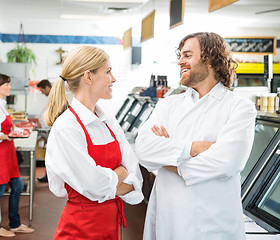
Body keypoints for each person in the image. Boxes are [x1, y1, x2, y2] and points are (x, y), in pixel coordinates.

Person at [135, 32, 257, 240]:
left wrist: (167, 157)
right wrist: (194, 148)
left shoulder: (239, 108)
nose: (180, 61)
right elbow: (143, 149)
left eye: (187, 55)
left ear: (209, 58)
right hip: (168, 220)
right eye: (180, 55)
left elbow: (226, 163)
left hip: (212, 226)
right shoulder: (169, 104)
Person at [45, 46, 144, 239]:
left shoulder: (109, 122)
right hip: (79, 230)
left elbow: (136, 179)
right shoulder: (67, 127)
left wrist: (106, 185)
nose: (113, 79)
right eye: (108, 72)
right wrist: (121, 173)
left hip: (111, 227)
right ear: (88, 77)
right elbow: (96, 185)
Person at [0, 74, 35, 237]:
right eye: (7, 84)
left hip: (8, 152)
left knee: (18, 186)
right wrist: (7, 136)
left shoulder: (3, 104)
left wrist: (17, 130)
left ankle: (14, 224)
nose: (10, 87)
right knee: (0, 190)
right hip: (1, 153)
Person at [36, 79, 52, 183]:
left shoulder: (54, 98)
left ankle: (49, 177)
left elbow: (50, 115)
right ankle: (48, 176)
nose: (42, 93)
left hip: (50, 129)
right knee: (49, 153)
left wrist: (40, 123)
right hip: (47, 128)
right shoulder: (51, 98)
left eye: (42, 90)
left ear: (46, 87)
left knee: (50, 154)